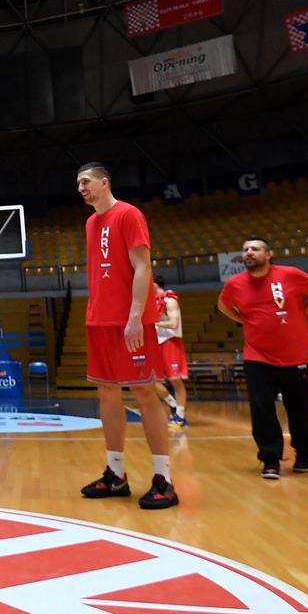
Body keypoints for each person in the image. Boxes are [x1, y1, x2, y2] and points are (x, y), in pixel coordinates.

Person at [75, 163, 178, 510]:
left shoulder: (129, 214)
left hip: (131, 321)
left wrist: (135, 315)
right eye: (78, 184)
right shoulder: (91, 223)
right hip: (100, 320)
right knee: (106, 393)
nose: (81, 188)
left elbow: (142, 266)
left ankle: (163, 479)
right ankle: (116, 474)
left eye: (86, 182)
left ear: (105, 182)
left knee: (144, 392)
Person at [217, 238, 308, 479]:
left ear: (268, 254)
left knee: (301, 408)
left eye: (255, 249)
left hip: (296, 354)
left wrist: (304, 311)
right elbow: (223, 306)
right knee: (261, 407)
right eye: (245, 249)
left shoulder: (289, 274)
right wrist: (243, 320)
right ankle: (270, 458)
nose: (249, 252)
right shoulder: (234, 283)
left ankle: (304, 453)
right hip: (257, 355)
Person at [153, 275, 189, 429]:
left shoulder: (169, 300)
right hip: (155, 344)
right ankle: (174, 405)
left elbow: (174, 323)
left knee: (176, 381)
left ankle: (180, 416)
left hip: (170, 342)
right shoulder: (149, 302)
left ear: (154, 284)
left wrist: (154, 322)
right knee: (151, 380)